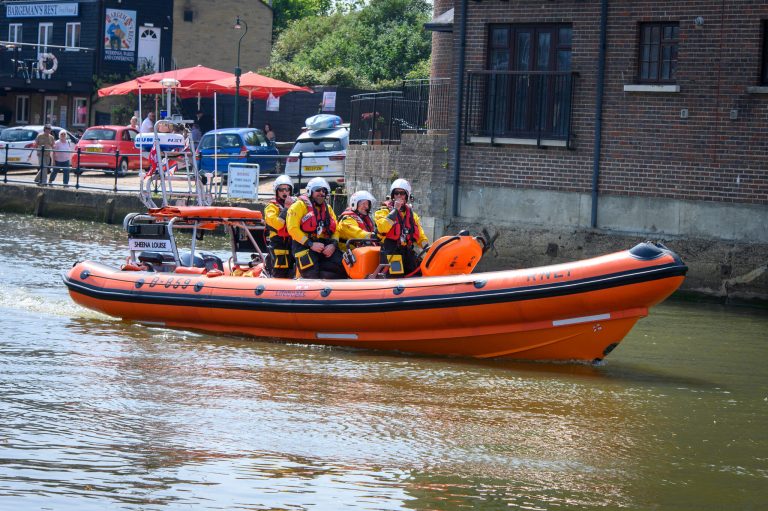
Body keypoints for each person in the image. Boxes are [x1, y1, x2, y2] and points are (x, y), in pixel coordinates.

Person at [286, 177, 345, 279]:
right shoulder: (298, 206)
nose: (321, 193)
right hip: (304, 246)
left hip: (324, 247)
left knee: (341, 267)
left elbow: (336, 229)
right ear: (310, 191)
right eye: (318, 190)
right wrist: (311, 244)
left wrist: (333, 245)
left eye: (324, 191)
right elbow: (292, 229)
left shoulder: (328, 209)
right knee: (311, 274)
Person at [374, 178, 429, 277]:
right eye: (396, 193)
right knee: (396, 277)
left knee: (418, 273)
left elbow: (420, 235)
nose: (399, 196)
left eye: (402, 193)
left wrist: (427, 247)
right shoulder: (383, 211)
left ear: (407, 195)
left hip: (406, 251)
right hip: (391, 253)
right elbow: (383, 228)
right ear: (392, 195)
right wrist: (395, 210)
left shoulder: (412, 215)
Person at [264, 175, 296, 278]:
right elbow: (278, 225)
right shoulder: (271, 207)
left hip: (293, 245)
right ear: (277, 191)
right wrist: (286, 208)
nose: (285, 192)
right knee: (280, 273)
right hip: (278, 246)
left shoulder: (295, 206)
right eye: (282, 189)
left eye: (287, 189)